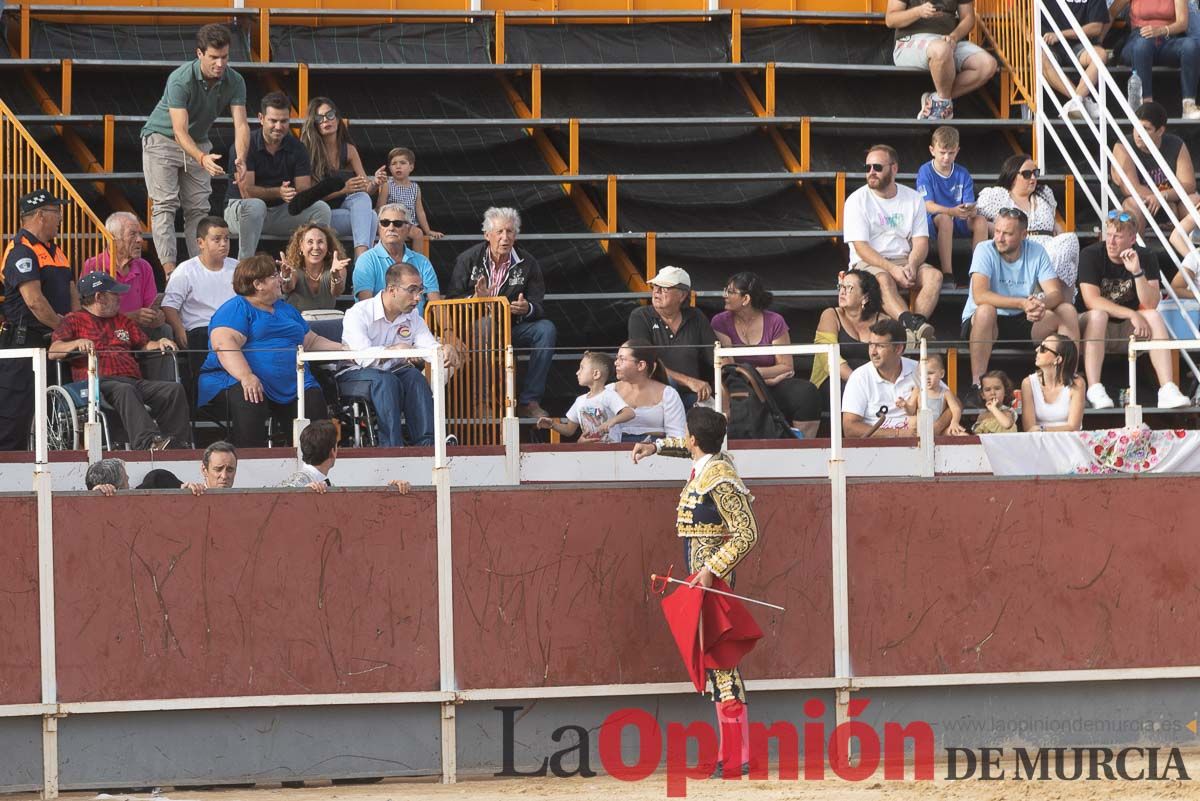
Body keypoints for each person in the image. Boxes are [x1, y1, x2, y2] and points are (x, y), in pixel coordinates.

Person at [630, 406, 760, 779]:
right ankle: (731, 754)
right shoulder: (709, 462)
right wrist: (655, 447)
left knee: (722, 663)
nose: (684, 440)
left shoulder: (719, 478)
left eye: (686, 435)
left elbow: (747, 532)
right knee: (716, 663)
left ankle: (736, 755)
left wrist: (712, 570)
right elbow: (684, 447)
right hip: (700, 578)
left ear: (693, 439)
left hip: (713, 580)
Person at [197, 254, 341, 447]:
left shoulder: (286, 310)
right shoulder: (236, 308)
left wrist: (346, 349)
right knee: (250, 398)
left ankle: (313, 467)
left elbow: (311, 341)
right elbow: (224, 345)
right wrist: (246, 376)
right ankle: (251, 467)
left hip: (294, 382)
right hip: (238, 379)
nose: (280, 279)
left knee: (314, 402)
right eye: (274, 276)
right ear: (258, 284)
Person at [141, 23, 250, 278]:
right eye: (213, 57)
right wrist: (201, 158)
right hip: (162, 138)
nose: (220, 63)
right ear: (199, 54)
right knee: (165, 204)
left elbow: (242, 124)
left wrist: (242, 158)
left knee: (199, 209)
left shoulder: (235, 80)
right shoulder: (180, 79)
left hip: (199, 140)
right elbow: (179, 130)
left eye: (224, 57)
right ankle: (170, 271)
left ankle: (198, 270)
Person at [49, 273, 190, 450]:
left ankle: (177, 444)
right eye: (114, 294)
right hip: (96, 383)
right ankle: (148, 443)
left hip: (132, 380)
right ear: (99, 297)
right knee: (125, 390)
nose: (119, 298)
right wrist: (76, 343)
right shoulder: (73, 320)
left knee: (173, 390)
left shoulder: (122, 320)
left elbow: (143, 344)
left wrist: (159, 343)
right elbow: (53, 351)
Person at [960, 207, 1079, 403]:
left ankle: (1067, 383)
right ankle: (977, 385)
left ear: (1023, 235)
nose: (999, 237)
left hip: (1023, 317)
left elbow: (1056, 293)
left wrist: (1040, 304)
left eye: (1007, 233)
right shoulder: (984, 249)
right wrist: (1022, 303)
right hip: (986, 323)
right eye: (997, 231)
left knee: (1066, 310)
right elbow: (980, 295)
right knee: (985, 310)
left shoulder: (1036, 251)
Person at [447, 207, 556, 419]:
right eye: (499, 232)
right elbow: (451, 299)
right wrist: (476, 301)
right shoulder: (468, 259)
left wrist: (527, 308)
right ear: (487, 235)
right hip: (474, 326)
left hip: (512, 326)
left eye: (509, 232)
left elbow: (539, 304)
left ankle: (529, 401)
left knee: (546, 329)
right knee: (486, 325)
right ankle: (482, 402)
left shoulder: (527, 263)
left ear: (515, 235)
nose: (505, 238)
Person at [338, 262, 460, 448]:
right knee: (387, 381)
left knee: (414, 377)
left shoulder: (413, 317)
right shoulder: (359, 312)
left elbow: (428, 345)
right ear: (392, 289)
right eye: (412, 290)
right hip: (354, 371)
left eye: (420, 290)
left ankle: (428, 445)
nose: (418, 297)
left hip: (391, 371)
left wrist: (444, 349)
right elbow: (360, 355)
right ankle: (391, 448)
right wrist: (392, 350)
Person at [1077, 210, 1190, 409]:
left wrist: (1137, 273)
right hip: (1094, 328)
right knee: (1098, 315)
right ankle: (1094, 387)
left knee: (1153, 316)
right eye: (1108, 234)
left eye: (1118, 237)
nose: (1111, 242)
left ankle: (1167, 388)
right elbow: (1091, 300)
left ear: (1132, 239)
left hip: (1128, 331)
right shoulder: (1091, 254)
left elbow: (1152, 302)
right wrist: (1131, 313)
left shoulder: (1145, 256)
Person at [0, 189, 79, 450]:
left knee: (58, 415)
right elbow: (34, 301)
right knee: (16, 415)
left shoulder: (57, 251)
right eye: (56, 213)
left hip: (54, 344)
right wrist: (66, 328)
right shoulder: (21, 251)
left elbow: (71, 291)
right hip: (26, 345)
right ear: (40, 216)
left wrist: (76, 324)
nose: (60, 219)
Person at [843, 144, 941, 342]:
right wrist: (893, 269)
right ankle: (911, 324)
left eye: (877, 167)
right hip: (868, 262)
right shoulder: (856, 200)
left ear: (894, 168)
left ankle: (914, 328)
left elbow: (921, 242)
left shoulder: (913, 198)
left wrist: (912, 265)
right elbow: (861, 248)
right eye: (867, 168)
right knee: (883, 280)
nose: (871, 172)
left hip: (903, 258)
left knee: (935, 276)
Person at [711, 271, 822, 437]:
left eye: (731, 292)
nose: (724, 295)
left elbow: (786, 366)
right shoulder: (720, 322)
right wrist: (766, 377)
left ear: (746, 299)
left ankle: (803, 447)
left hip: (771, 385)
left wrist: (757, 375)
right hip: (738, 386)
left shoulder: (775, 321)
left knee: (807, 393)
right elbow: (730, 369)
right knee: (745, 397)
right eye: (726, 290)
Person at [224, 91, 332, 259]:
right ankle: (244, 268)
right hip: (241, 212)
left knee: (321, 209)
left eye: (284, 121)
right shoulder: (246, 144)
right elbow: (246, 193)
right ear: (261, 118)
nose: (279, 126)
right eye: (273, 121)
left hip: (279, 213)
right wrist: (278, 192)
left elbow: (304, 190)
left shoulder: (297, 148)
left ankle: (309, 267)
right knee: (255, 206)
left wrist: (296, 194)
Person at [976, 154, 1080, 295]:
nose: (1033, 178)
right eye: (1026, 174)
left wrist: (1059, 233)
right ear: (1012, 175)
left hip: (1050, 247)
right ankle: (1043, 290)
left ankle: (1045, 291)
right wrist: (993, 228)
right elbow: (975, 215)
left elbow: (1055, 224)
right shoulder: (999, 196)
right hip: (1023, 247)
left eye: (1035, 173)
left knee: (1070, 239)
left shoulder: (1044, 194)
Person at [162, 216, 238, 403]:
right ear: (200, 243)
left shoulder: (236, 267)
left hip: (235, 331)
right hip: (201, 332)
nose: (223, 244)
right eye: (217, 239)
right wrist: (179, 330)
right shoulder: (185, 270)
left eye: (227, 239)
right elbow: (169, 305)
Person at [1111, 102, 1200, 256]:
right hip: (1142, 205)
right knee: (1133, 203)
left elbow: (1189, 185)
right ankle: (1136, 258)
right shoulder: (1123, 145)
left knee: (1194, 200)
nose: (1138, 133)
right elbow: (1130, 188)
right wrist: (1163, 201)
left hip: (1168, 203)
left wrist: (1163, 197)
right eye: (1135, 126)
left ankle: (1192, 260)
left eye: (1146, 128)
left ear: (1160, 131)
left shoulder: (1175, 144)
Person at [886, 0, 998, 120]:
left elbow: (968, 17)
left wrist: (954, 36)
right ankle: (942, 105)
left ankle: (937, 99)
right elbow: (891, 19)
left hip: (947, 39)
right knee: (941, 49)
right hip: (910, 41)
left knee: (988, 65)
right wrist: (918, 12)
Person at [298, 97, 378, 260]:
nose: (326, 120)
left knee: (364, 202)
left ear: (337, 117)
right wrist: (344, 189)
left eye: (330, 115)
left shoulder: (349, 150)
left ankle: (361, 260)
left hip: (341, 210)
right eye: (320, 118)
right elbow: (308, 197)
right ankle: (363, 267)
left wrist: (375, 183)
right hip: (319, 215)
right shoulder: (307, 152)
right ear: (314, 124)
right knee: (371, 218)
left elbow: (366, 190)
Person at [627, 266, 716, 406]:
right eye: (655, 286)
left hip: (694, 395)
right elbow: (646, 363)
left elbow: (715, 356)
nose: (656, 291)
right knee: (670, 387)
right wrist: (689, 381)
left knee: (713, 414)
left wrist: (722, 384)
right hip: (655, 395)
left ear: (682, 295)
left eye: (664, 287)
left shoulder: (695, 316)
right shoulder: (640, 316)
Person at [916, 126, 987, 286]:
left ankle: (978, 274)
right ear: (932, 150)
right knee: (945, 219)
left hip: (959, 217)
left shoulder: (963, 173)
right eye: (942, 152)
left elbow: (969, 203)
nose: (947, 157)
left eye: (951, 153)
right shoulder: (925, 171)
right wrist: (951, 211)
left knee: (981, 221)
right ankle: (948, 273)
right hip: (935, 220)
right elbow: (927, 206)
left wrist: (970, 211)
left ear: (957, 151)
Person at [1112, 0, 1200, 119]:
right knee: (1143, 45)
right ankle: (1146, 107)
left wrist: (1161, 30)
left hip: (1167, 38)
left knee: (1190, 45)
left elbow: (1182, 23)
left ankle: (1188, 105)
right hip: (1139, 37)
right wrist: (1097, 41)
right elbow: (1111, 13)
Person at [82, 211, 164, 334]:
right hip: (107, 331)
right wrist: (130, 317)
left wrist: (156, 316)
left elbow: (150, 306)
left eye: (140, 234)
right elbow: (90, 317)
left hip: (138, 330)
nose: (140, 240)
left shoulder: (144, 267)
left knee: (165, 330)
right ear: (113, 238)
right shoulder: (94, 266)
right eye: (132, 234)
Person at [352, 205, 442, 316]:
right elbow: (365, 307)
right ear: (379, 227)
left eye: (397, 223)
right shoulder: (366, 260)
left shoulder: (422, 262)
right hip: (378, 330)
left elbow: (436, 305)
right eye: (385, 223)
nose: (390, 228)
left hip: (416, 329)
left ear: (408, 228)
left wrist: (449, 332)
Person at [280, 419, 411, 493]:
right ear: (333, 452)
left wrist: (392, 490)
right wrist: (301, 495)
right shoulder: (300, 481)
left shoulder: (325, 483)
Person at [841, 318, 920, 437]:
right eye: (871, 345)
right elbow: (849, 428)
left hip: (918, 448)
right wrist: (897, 434)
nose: (873, 352)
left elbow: (951, 404)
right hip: (873, 451)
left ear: (898, 349)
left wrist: (937, 428)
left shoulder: (918, 370)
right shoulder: (859, 377)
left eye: (880, 346)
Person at [810, 269, 885, 390]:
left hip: (872, 382)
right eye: (841, 287)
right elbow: (828, 358)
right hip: (835, 380)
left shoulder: (882, 321)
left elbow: (888, 357)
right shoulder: (830, 315)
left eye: (849, 288)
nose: (842, 292)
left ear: (865, 297)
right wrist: (857, 382)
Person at [536, 352, 634, 442]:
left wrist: (612, 421)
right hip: (588, 452)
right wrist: (553, 425)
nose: (577, 372)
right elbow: (569, 430)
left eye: (582, 368)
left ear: (596, 374)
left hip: (612, 452)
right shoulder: (580, 400)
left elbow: (629, 413)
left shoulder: (609, 395)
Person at [1042, 0, 1110, 121]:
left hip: (1079, 44)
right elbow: (1021, 15)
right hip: (1049, 44)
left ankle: (1077, 101)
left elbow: (1096, 27)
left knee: (1101, 54)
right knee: (1038, 57)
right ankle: (1079, 100)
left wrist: (1060, 34)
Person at [610, 340, 686, 442]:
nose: (616, 363)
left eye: (622, 359)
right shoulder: (609, 391)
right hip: (613, 452)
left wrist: (654, 448)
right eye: (617, 358)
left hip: (656, 452)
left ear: (641, 365)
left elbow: (677, 436)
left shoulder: (668, 394)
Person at [374, 147, 443, 247]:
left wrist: (428, 231)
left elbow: (420, 212)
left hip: (408, 224)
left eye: (402, 163)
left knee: (418, 233)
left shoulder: (415, 187)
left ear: (411, 167)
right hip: (391, 222)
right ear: (389, 168)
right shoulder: (387, 185)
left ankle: (417, 262)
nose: (398, 166)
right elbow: (380, 208)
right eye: (394, 164)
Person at [1020, 333, 1086, 431]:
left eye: (1043, 348)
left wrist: (1042, 429)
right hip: (1039, 443)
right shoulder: (1028, 383)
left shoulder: (1077, 383)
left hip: (1068, 442)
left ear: (1058, 359)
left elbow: (1073, 427)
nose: (1037, 350)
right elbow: (1029, 428)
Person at [279, 223, 350, 313]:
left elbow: (337, 292)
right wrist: (286, 276)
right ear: (301, 246)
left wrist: (335, 275)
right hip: (296, 323)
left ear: (328, 246)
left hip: (326, 323)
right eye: (310, 242)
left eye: (320, 242)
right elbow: (288, 288)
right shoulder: (293, 269)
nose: (316, 247)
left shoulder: (337, 268)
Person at [895, 352, 964, 435]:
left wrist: (954, 422)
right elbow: (911, 411)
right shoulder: (918, 391)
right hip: (921, 430)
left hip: (941, 431)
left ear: (941, 374)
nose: (927, 377)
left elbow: (956, 409)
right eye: (923, 374)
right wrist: (905, 405)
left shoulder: (945, 393)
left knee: (963, 435)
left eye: (931, 373)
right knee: (913, 422)